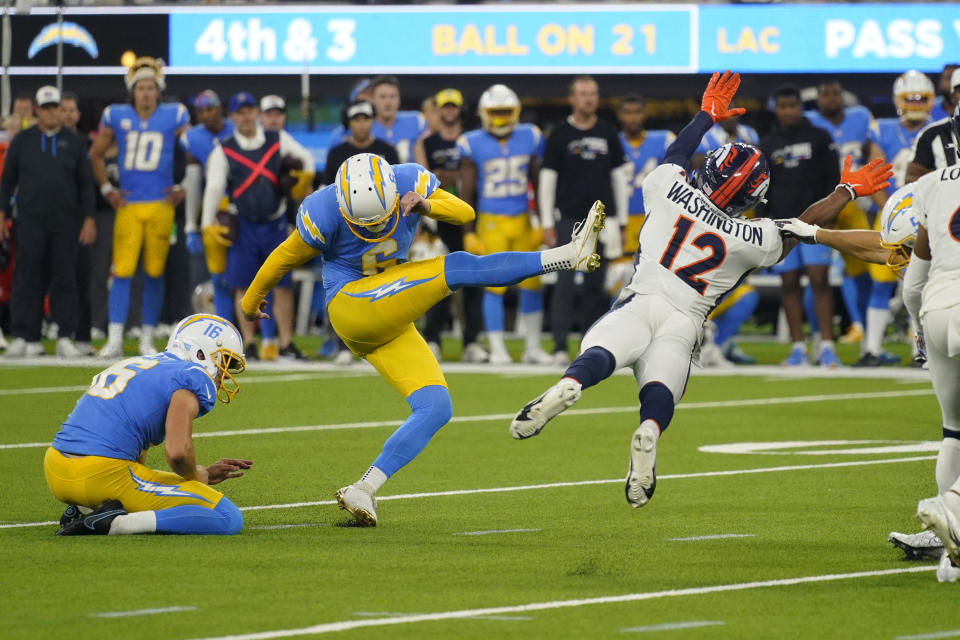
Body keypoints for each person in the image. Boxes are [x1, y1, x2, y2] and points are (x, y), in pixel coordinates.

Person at [509, 71, 892, 509]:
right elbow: (803, 227)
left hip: (642, 299)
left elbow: (676, 152)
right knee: (660, 391)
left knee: (600, 353)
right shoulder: (754, 238)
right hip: (685, 320)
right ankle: (648, 432)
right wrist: (845, 190)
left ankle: (571, 383)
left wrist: (706, 115)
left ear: (709, 169)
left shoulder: (667, 189)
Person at [239, 152, 606, 525]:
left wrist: (426, 203)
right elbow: (284, 257)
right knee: (458, 266)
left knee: (436, 407)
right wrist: (251, 302)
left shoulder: (409, 179)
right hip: (352, 306)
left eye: (381, 219)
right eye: (362, 223)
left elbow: (465, 214)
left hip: (389, 314)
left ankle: (363, 488)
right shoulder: (322, 208)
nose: (372, 229)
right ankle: (566, 256)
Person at [46, 313, 251, 536]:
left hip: (56, 469)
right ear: (200, 352)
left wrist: (204, 475)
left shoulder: (138, 363)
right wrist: (194, 476)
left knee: (140, 480)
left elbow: (135, 461)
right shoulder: (193, 375)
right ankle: (116, 523)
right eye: (225, 362)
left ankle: (84, 507)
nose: (225, 376)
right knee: (227, 517)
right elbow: (177, 453)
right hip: (100, 475)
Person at [202, 92, 314, 361]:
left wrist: (305, 176)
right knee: (243, 285)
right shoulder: (224, 148)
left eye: (250, 110)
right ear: (232, 117)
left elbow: (305, 157)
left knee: (283, 286)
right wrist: (206, 224)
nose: (246, 116)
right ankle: (248, 344)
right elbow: (215, 186)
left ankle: (285, 343)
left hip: (275, 223)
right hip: (244, 224)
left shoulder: (276, 139)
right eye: (240, 112)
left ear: (256, 114)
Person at [91, 57, 190, 358]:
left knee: (154, 272)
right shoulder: (116, 115)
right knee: (121, 271)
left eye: (150, 87)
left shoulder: (175, 115)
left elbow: (194, 151)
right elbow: (95, 154)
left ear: (158, 91)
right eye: (140, 88)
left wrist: (182, 186)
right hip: (130, 205)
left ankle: (147, 337)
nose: (145, 93)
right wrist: (108, 189)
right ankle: (115, 337)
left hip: (161, 205)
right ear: (132, 91)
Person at [540, 75, 631, 365]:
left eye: (592, 93)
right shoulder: (559, 135)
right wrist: (546, 222)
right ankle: (557, 346)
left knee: (596, 284)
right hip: (568, 219)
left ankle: (591, 345)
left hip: (601, 221)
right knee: (564, 284)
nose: (588, 98)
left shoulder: (608, 132)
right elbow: (546, 180)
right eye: (582, 93)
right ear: (572, 98)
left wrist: (623, 221)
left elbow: (618, 179)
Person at [458, 84, 552, 365]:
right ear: (484, 114)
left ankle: (532, 347)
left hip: (523, 218)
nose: (500, 118)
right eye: (495, 113)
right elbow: (467, 191)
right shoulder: (471, 142)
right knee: (494, 285)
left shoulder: (530, 136)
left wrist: (542, 221)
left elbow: (539, 181)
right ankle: (498, 347)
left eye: (505, 112)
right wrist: (468, 231)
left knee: (533, 283)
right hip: (490, 221)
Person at [0, 86, 96, 359]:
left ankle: (65, 334)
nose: (52, 112)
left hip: (66, 222)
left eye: (55, 106)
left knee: (65, 278)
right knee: (26, 277)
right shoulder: (22, 141)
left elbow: (86, 184)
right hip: (30, 221)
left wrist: (89, 218)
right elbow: (7, 180)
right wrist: (1, 214)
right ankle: (24, 335)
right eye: (47, 107)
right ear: (37, 111)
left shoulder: (75, 142)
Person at [857, 71, 936, 367]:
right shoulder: (883, 129)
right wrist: (889, 209)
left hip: (931, 217)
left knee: (927, 284)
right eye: (910, 98)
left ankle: (925, 347)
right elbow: (876, 175)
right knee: (880, 282)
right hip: (891, 216)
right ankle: (872, 350)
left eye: (920, 98)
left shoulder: (940, 130)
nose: (915, 103)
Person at [759, 85, 842, 367]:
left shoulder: (818, 137)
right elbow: (761, 186)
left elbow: (834, 178)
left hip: (817, 222)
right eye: (782, 107)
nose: (788, 112)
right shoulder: (768, 144)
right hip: (781, 224)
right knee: (789, 284)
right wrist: (763, 221)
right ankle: (798, 350)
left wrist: (831, 214)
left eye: (792, 106)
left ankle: (828, 347)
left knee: (820, 281)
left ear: (799, 107)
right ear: (776, 110)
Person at [414, 88, 488, 364]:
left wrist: (448, 176)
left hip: (469, 218)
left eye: (453, 107)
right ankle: (432, 338)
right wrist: (454, 177)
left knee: (473, 280)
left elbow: (474, 177)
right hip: (439, 218)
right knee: (438, 282)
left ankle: (471, 341)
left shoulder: (470, 141)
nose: (449, 111)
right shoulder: (427, 142)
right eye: (444, 106)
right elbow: (425, 180)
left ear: (459, 109)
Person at [806, 79, 877, 350]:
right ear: (818, 98)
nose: (831, 99)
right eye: (825, 94)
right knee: (816, 274)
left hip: (856, 202)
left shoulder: (860, 117)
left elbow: (873, 152)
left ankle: (864, 331)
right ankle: (816, 335)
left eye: (836, 93)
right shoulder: (809, 121)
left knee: (863, 266)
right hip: (823, 202)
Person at [180, 90, 236, 325]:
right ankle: (210, 324)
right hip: (212, 209)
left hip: (239, 207)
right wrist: (191, 224)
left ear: (220, 108)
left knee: (239, 274)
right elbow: (193, 183)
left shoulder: (237, 128)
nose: (205, 115)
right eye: (200, 111)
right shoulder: (191, 138)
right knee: (212, 274)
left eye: (209, 109)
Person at [58, 90, 95, 357]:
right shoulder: (40, 140)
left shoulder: (83, 143)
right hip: (54, 221)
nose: (68, 114)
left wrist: (89, 217)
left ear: (78, 114)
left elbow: (86, 186)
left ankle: (82, 334)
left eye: (72, 110)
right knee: (61, 279)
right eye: (64, 109)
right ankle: (61, 332)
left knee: (82, 277)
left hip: (79, 221)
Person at [324, 100, 399, 184]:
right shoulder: (336, 153)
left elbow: (397, 183)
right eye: (356, 119)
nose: (361, 124)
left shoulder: (388, 151)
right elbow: (327, 186)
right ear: (349, 122)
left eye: (366, 119)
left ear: (373, 120)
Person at [907, 68, 960, 183]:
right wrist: (943, 183)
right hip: (947, 200)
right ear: (952, 96)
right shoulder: (931, 134)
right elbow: (911, 180)